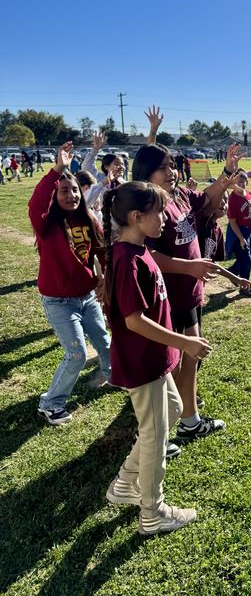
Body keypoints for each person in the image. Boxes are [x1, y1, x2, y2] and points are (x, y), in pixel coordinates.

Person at [103, 181, 210, 536]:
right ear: (136, 217)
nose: (165, 218)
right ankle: (153, 512)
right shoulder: (127, 259)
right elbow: (134, 321)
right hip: (142, 364)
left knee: (175, 410)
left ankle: (124, 484)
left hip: (156, 359)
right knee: (154, 435)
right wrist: (184, 342)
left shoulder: (140, 249)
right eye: (159, 212)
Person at [132, 132, 251, 448]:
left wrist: (226, 173)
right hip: (164, 299)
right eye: (163, 168)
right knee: (161, 369)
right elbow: (148, 256)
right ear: (145, 174)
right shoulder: (148, 207)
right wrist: (189, 267)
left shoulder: (181, 196)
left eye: (172, 166)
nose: (171, 172)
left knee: (189, 360)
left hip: (189, 294)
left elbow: (209, 198)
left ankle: (189, 422)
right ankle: (153, 436)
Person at [29, 141, 111, 425]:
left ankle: (113, 376)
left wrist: (104, 279)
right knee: (76, 355)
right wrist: (58, 170)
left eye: (75, 189)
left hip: (87, 297)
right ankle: (51, 403)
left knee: (105, 343)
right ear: (55, 195)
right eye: (64, 190)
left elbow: (102, 250)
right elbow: (36, 202)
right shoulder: (47, 224)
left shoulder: (87, 220)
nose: (72, 194)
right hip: (59, 301)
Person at [226, 170, 251, 296]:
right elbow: (232, 221)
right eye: (238, 181)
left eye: (243, 181)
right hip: (238, 231)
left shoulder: (248, 194)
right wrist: (241, 238)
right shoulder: (233, 199)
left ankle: (233, 272)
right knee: (246, 259)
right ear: (233, 182)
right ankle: (245, 288)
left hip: (249, 229)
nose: (241, 183)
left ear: (247, 182)